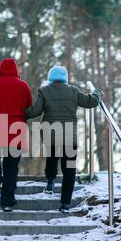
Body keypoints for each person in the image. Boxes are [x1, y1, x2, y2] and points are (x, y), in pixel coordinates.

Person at [26, 66, 103, 213]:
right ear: (65, 78)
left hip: (50, 133)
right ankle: (65, 204)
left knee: (52, 156)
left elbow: (35, 111)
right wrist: (97, 93)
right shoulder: (73, 91)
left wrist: (21, 113)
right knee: (69, 169)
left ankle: (50, 182)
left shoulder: (44, 91)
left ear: (50, 77)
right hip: (69, 135)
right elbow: (91, 102)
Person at [0, 59, 33, 212]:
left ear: (0, 69)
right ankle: (7, 202)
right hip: (15, 128)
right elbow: (28, 106)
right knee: (11, 166)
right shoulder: (23, 86)